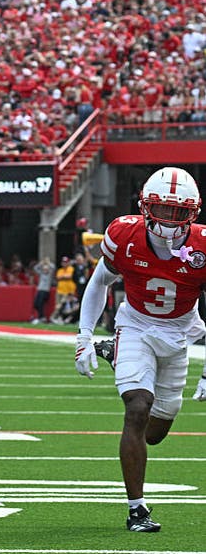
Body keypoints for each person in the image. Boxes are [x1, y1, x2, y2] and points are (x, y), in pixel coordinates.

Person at [74, 166, 206, 532]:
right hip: (135, 325)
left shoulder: (204, 245)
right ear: (145, 207)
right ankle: (137, 509)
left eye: (178, 212)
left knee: (155, 432)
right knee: (137, 407)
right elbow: (100, 281)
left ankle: (114, 353)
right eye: (162, 209)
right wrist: (84, 335)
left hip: (179, 333)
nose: (169, 219)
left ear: (192, 213)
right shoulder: (123, 233)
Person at [31, 257, 54, 324]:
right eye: (44, 269)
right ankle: (42, 317)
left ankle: (41, 317)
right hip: (39, 290)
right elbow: (35, 268)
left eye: (46, 269)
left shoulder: (49, 274)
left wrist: (48, 262)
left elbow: (53, 267)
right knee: (36, 304)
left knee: (40, 304)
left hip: (45, 291)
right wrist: (41, 263)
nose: (45, 270)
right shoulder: (41, 274)